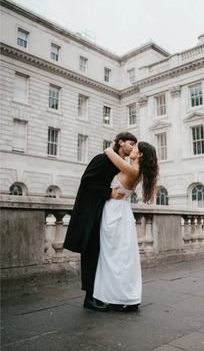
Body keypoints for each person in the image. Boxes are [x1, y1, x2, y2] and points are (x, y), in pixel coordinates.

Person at [63, 132, 137, 312]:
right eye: (131, 143)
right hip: (90, 214)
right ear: (121, 143)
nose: (133, 147)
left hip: (104, 214)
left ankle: (102, 294)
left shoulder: (119, 162)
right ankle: (89, 298)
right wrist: (108, 192)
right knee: (91, 254)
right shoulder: (102, 159)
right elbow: (87, 180)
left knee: (102, 255)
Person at [93, 141, 159, 312]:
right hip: (121, 211)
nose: (131, 149)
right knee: (122, 257)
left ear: (140, 155)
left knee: (114, 257)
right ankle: (125, 296)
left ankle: (120, 296)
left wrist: (119, 144)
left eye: (135, 148)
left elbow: (108, 151)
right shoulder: (136, 170)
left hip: (115, 211)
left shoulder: (132, 169)